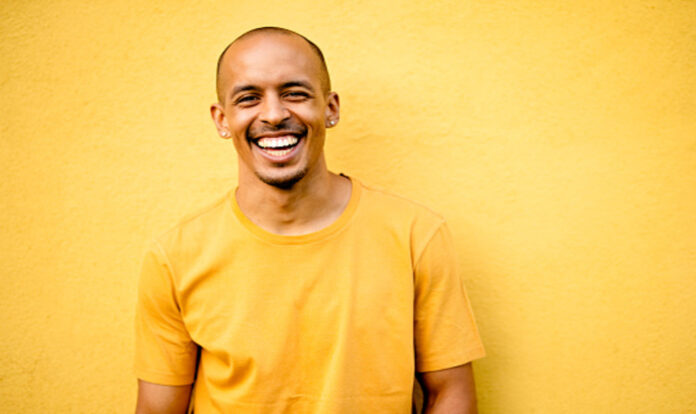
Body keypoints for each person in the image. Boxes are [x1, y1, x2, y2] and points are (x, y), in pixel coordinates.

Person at [134, 27, 485, 413]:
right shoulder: (175, 257)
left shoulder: (416, 235)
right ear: (222, 119)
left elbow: (451, 394)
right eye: (249, 98)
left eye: (294, 93)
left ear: (330, 108)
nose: (273, 115)